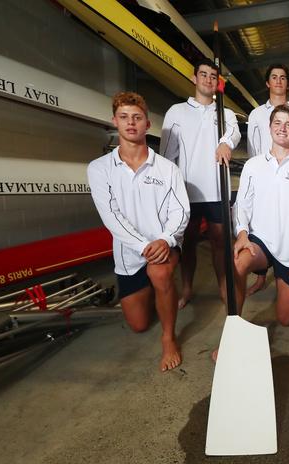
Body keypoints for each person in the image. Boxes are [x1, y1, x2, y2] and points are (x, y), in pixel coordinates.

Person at [87, 92, 189, 372]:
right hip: (130, 252)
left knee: (159, 272)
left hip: (164, 245)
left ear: (147, 124)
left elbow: (180, 211)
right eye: (124, 117)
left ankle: (169, 337)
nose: (131, 123)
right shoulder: (99, 169)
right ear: (114, 122)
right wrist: (144, 245)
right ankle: (158, 290)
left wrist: (166, 239)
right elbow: (111, 216)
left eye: (137, 117)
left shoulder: (167, 169)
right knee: (138, 324)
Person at [159, 58, 241, 309]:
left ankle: (223, 287)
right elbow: (166, 155)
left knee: (220, 242)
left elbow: (235, 132)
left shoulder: (224, 113)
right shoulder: (177, 112)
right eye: (203, 74)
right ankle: (187, 289)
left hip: (217, 189)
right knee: (189, 243)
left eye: (213, 76)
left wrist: (226, 141)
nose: (208, 79)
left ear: (218, 83)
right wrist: (167, 190)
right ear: (194, 78)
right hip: (187, 191)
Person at [233, 104, 289, 326]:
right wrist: (242, 233)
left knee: (285, 319)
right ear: (269, 127)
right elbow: (242, 203)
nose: (283, 128)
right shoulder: (253, 165)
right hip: (260, 242)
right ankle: (233, 328)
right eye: (277, 123)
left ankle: (286, 282)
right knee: (236, 264)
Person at [245, 64, 289, 296]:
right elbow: (253, 150)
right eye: (274, 77)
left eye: (283, 77)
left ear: (288, 84)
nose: (278, 81)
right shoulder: (256, 115)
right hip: (264, 179)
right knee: (261, 228)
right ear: (267, 83)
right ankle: (261, 277)